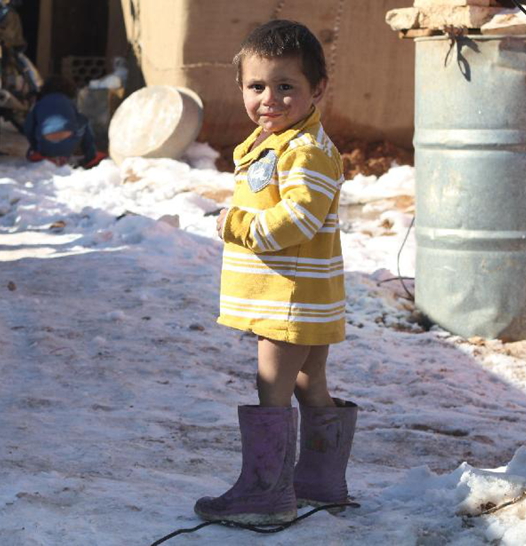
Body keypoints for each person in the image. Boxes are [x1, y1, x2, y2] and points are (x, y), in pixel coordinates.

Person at [194, 20, 358, 525]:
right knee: (310, 383)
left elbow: (298, 220)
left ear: (318, 89)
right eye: (257, 86)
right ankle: (320, 481)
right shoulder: (280, 141)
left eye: (286, 86)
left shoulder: (304, 150)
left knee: (273, 387)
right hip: (303, 296)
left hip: (287, 301)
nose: (270, 98)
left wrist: (234, 224)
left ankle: (266, 494)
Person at [24, 76, 105, 168]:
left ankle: (43, 155)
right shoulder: (68, 102)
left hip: (45, 147)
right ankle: (91, 156)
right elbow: (80, 120)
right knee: (84, 122)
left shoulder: (39, 104)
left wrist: (35, 147)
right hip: (68, 145)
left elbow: (28, 127)